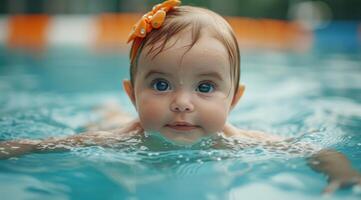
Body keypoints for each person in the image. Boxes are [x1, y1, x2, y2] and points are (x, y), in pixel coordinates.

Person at [0, 0, 360, 194]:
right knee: (104, 119)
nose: (182, 103)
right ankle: (108, 108)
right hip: (113, 123)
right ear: (132, 94)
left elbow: (315, 151)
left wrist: (344, 174)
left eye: (205, 88)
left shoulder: (239, 142)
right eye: (160, 85)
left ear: (234, 100)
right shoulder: (119, 139)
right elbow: (51, 144)